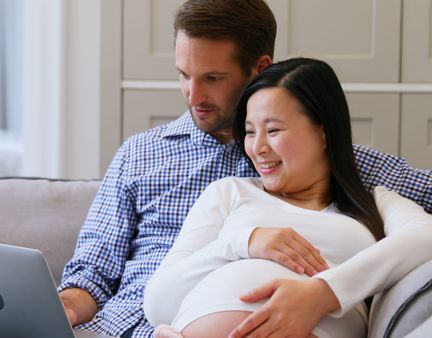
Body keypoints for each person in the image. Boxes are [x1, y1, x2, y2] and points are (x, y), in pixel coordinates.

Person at [57, 1, 432, 337]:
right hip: (128, 325)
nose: (193, 95)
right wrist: (63, 308)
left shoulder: (356, 172)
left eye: (212, 78)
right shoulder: (142, 154)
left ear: (259, 69)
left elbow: (420, 230)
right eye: (184, 75)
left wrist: (326, 292)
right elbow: (92, 273)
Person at [143, 57, 432, 338]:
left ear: (324, 133)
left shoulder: (376, 204)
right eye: (249, 132)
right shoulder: (230, 192)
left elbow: (425, 236)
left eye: (273, 130)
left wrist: (323, 293)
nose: (258, 147)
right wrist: (245, 242)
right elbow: (157, 303)